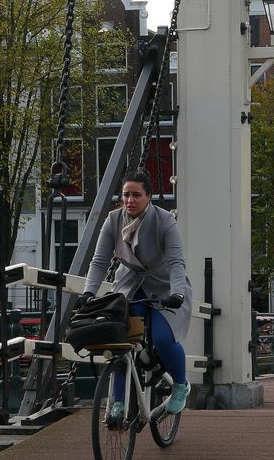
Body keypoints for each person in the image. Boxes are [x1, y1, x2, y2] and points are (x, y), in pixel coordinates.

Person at [77, 172, 193, 415]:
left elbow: (176, 263)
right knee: (121, 342)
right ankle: (118, 402)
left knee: (162, 338)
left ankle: (181, 386)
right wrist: (89, 291)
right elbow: (99, 262)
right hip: (129, 286)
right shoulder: (112, 220)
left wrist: (178, 294)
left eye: (136, 195)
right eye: (126, 195)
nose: (130, 200)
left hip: (164, 286)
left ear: (148, 197)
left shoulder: (164, 221)